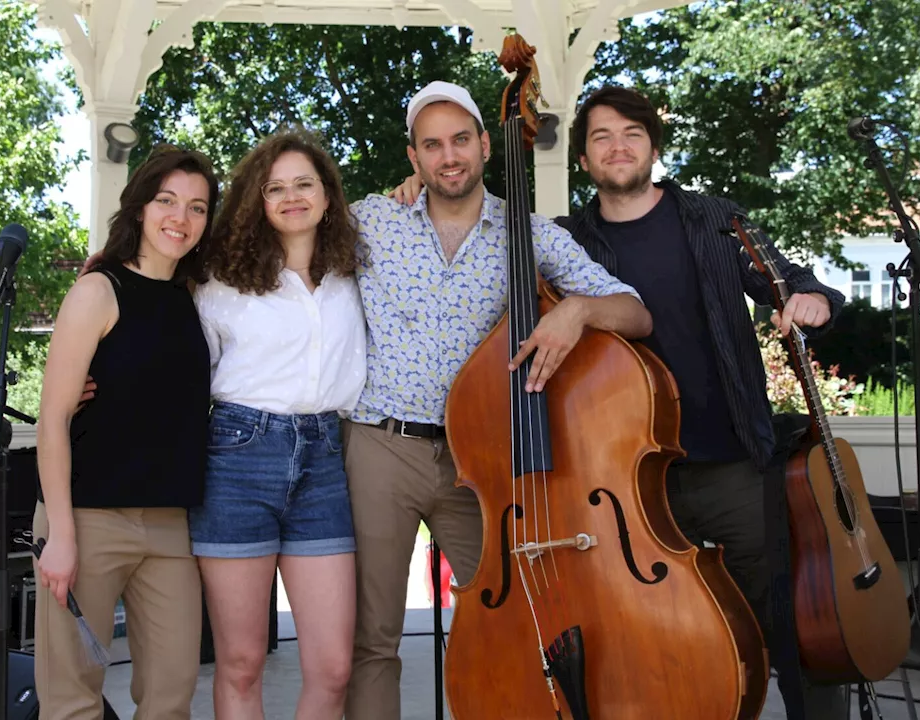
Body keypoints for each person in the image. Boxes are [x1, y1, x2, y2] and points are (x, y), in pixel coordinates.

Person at [389, 85, 850, 718]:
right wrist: (416, 189)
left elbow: (793, 282)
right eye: (601, 137)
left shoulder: (718, 219)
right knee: (656, 641)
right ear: (582, 159)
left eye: (631, 134)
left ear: (654, 147)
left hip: (731, 461)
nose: (618, 147)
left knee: (787, 623)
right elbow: (484, 275)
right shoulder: (562, 239)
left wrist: (812, 301)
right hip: (619, 486)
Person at [341, 80, 653, 720]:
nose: (448, 156)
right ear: (414, 157)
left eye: (460, 140)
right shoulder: (371, 219)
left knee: (516, 618)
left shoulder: (529, 233)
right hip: (379, 446)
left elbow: (637, 312)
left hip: (479, 459)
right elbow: (274, 249)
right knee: (372, 637)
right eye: (432, 145)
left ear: (486, 144)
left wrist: (578, 312)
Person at [33, 144, 217, 720]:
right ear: (139, 207)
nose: (179, 219)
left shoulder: (197, 297)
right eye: (166, 201)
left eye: (197, 207)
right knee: (73, 698)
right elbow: (52, 420)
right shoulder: (97, 291)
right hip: (87, 519)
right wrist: (61, 537)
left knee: (172, 694)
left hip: (169, 526)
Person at [188, 129, 364, 720]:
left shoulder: (356, 272)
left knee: (334, 669)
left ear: (328, 195)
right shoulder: (218, 280)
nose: (292, 197)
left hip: (324, 460)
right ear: (257, 201)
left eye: (304, 185)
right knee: (241, 663)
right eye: (275, 188)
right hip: (238, 458)